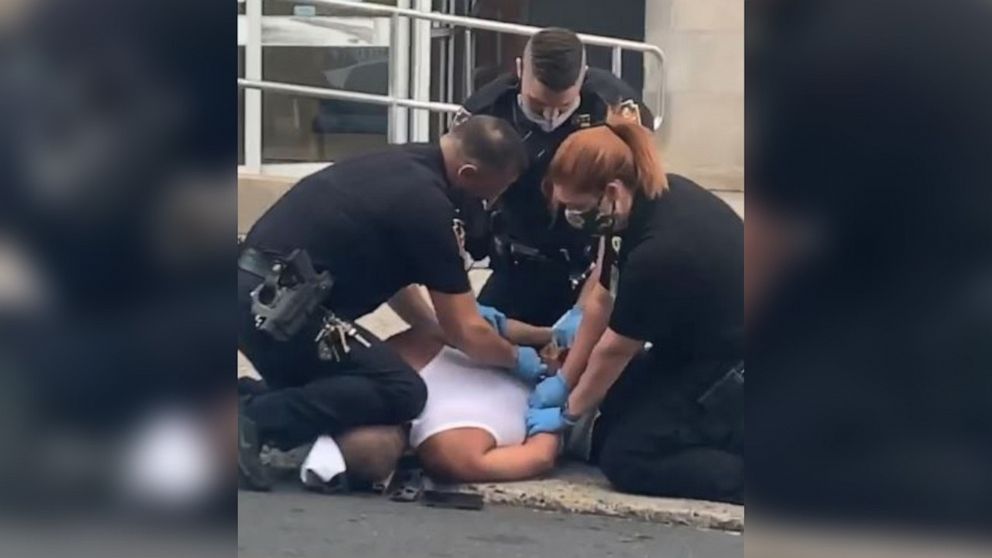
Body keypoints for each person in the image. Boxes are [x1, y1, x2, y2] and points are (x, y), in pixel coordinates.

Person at [236, 116, 550, 491]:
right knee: (402, 390)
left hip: (259, 297)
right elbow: (467, 329)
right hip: (281, 312)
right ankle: (251, 419)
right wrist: (519, 360)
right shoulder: (428, 208)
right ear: (468, 173)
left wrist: (431, 329)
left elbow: (395, 281)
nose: (490, 203)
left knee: (341, 386)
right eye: (490, 193)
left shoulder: (401, 165)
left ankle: (242, 400)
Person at [524, 112, 744, 504]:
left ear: (611, 190)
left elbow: (614, 349)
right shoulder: (638, 205)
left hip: (732, 364)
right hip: (696, 348)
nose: (572, 218)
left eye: (577, 208)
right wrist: (566, 380)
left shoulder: (661, 253)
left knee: (628, 456)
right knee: (615, 407)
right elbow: (601, 300)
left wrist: (568, 413)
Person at [454, 27, 655, 327]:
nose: (550, 116)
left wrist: (594, 297)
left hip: (591, 265)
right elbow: (458, 200)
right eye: (537, 105)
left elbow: (632, 206)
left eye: (563, 107)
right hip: (517, 264)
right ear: (520, 69)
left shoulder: (615, 109)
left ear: (583, 76)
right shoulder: (486, 112)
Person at [386, 313, 563, 483]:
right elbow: (540, 456)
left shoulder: (407, 348)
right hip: (570, 399)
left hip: (544, 348)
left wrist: (547, 335)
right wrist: (555, 402)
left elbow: (466, 322)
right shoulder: (453, 451)